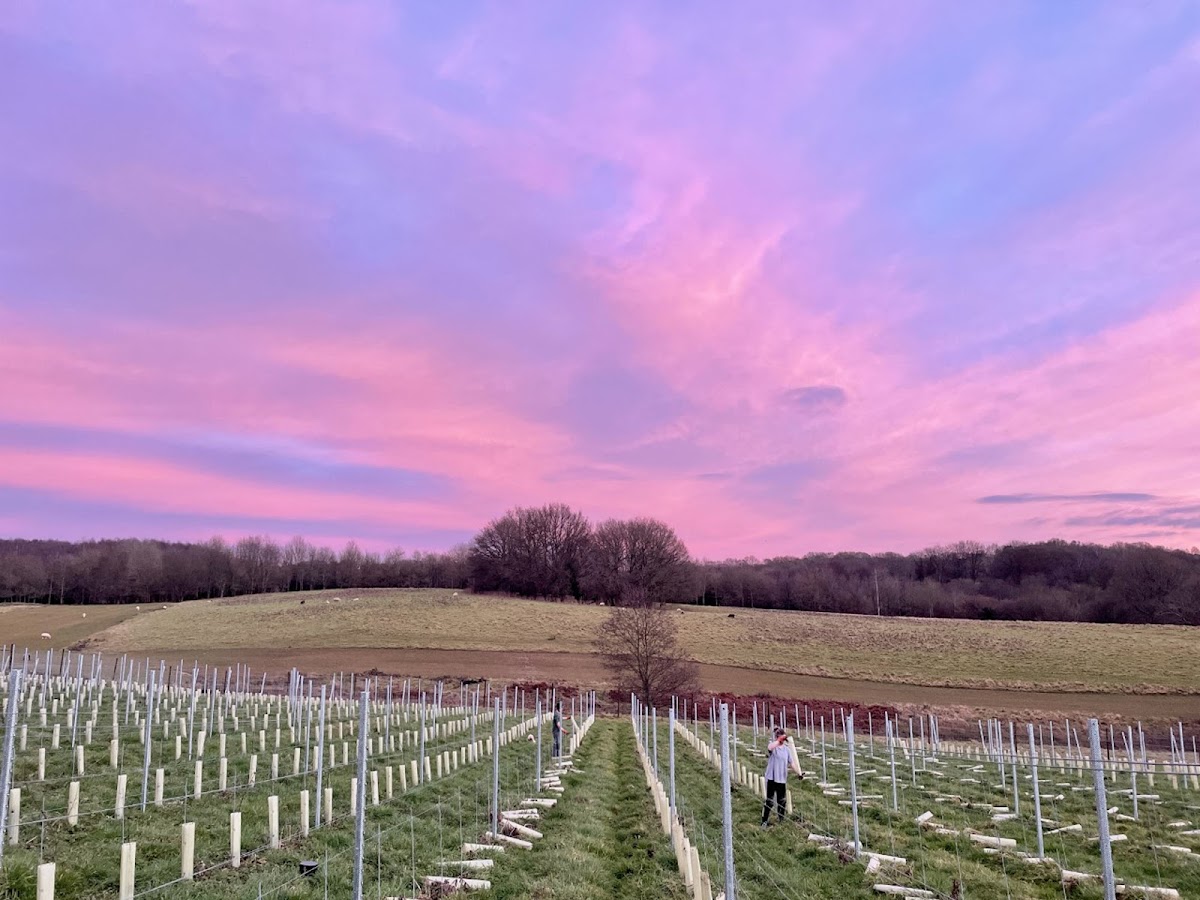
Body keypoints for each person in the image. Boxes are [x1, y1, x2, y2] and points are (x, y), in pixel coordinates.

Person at [761, 726, 804, 827]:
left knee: (782, 801)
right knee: (769, 801)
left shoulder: (786, 750)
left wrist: (799, 773)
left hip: (781, 779)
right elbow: (769, 748)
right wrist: (778, 741)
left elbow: (791, 763)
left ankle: (781, 821)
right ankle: (764, 821)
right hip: (772, 778)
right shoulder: (773, 747)